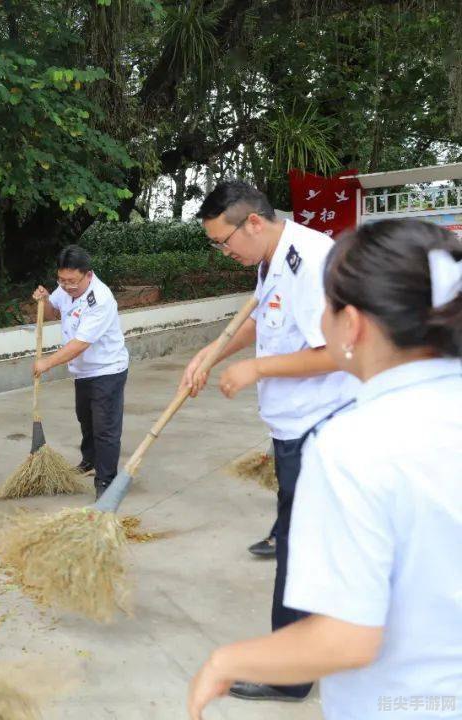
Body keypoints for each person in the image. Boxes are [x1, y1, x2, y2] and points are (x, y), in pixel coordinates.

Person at [188, 219, 462, 720]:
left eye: (328, 307)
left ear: (351, 324)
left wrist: (227, 660)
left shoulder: (353, 446)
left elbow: (347, 639)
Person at [181, 181, 357, 702]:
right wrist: (213, 351)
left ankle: (290, 673)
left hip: (318, 430)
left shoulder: (314, 263)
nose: (224, 251)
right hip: (293, 430)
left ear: (252, 222)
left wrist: (256, 368)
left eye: (223, 241)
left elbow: (340, 353)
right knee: (309, 547)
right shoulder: (273, 259)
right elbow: (261, 316)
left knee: (298, 556)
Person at [32, 245, 129, 498]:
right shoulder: (65, 290)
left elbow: (80, 343)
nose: (67, 286)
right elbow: (54, 312)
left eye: (72, 281)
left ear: (88, 274)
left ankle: (107, 482)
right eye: (61, 280)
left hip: (107, 369)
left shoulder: (101, 299)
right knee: (85, 418)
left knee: (105, 427)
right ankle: (90, 460)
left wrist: (47, 363)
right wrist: (44, 301)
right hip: (84, 371)